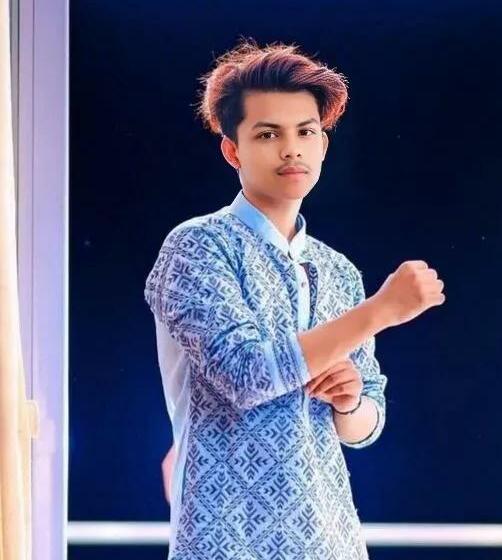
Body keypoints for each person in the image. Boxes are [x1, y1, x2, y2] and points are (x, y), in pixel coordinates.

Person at [145, 37, 445, 560]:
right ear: (232, 150)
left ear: (323, 146)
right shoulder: (197, 246)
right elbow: (244, 375)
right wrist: (379, 311)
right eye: (268, 134)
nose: (291, 149)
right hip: (226, 540)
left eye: (306, 132)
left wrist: (350, 401)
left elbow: (365, 424)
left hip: (333, 540)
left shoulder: (338, 271)